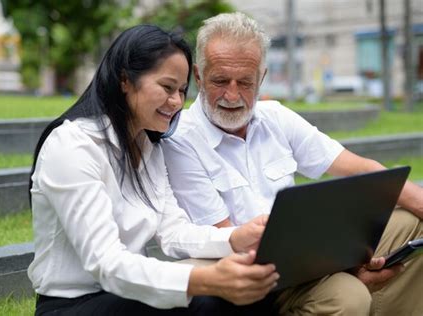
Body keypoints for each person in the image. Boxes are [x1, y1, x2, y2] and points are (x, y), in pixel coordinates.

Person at [161, 12, 423, 316]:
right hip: (250, 274)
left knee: (412, 221)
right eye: (220, 80)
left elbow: (359, 168)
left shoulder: (274, 116)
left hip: (305, 253)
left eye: (245, 82)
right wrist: (340, 261)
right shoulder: (181, 139)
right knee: (348, 296)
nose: (232, 95)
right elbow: (235, 242)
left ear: (261, 77)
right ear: (198, 76)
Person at [27, 24, 285, 315]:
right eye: (166, 87)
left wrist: (236, 238)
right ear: (125, 80)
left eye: (182, 90)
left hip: (126, 296)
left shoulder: (149, 147)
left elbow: (173, 232)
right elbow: (106, 263)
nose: (176, 102)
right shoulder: (72, 145)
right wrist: (202, 280)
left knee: (250, 291)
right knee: (206, 297)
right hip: (74, 305)